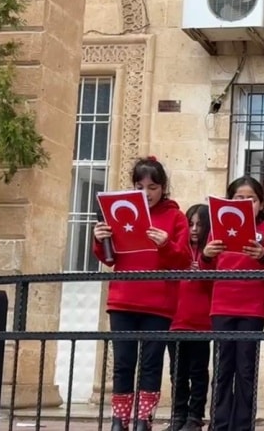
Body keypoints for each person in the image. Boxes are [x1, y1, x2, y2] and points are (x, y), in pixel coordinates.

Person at [92, 157, 191, 431]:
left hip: (158, 304)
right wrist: (99, 239)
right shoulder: (119, 211)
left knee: (151, 363)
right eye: (140, 186)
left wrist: (166, 244)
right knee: (123, 363)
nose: (146, 193)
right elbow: (109, 259)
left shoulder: (175, 217)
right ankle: (118, 419)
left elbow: (184, 260)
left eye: (153, 186)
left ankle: (142, 419)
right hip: (123, 299)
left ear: (163, 188)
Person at [202, 176, 264, 431]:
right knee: (223, 369)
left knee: (246, 370)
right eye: (239, 198)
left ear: (261, 203)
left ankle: (243, 425)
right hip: (222, 306)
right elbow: (205, 268)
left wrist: (263, 256)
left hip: (251, 309)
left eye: (252, 199)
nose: (246, 202)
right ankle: (219, 423)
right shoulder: (217, 228)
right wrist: (206, 254)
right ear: (229, 201)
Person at [167, 204, 212, 431]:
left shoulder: (210, 253)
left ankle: (195, 417)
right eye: (190, 224)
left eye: (200, 224)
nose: (194, 229)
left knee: (198, 372)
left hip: (201, 322)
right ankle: (178, 415)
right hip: (175, 320)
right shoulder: (178, 250)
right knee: (177, 372)